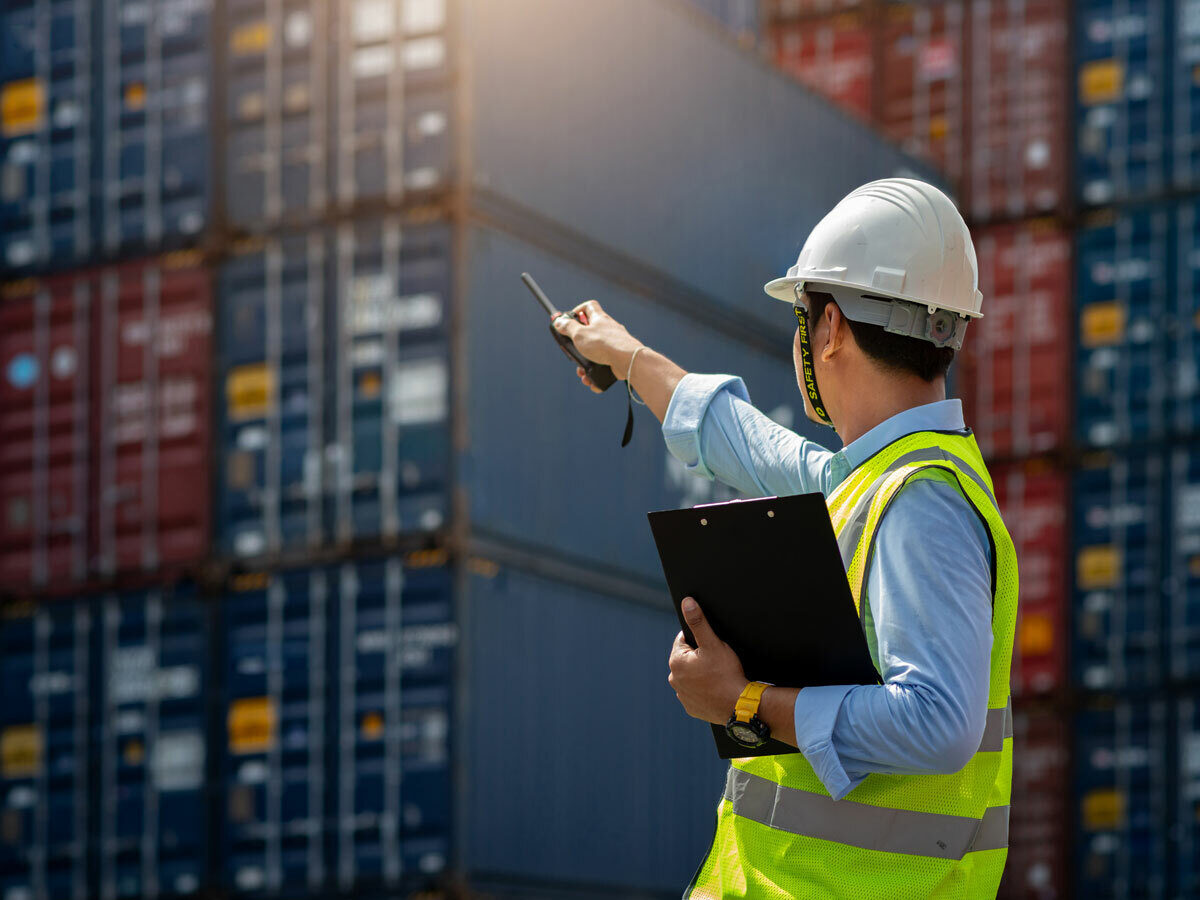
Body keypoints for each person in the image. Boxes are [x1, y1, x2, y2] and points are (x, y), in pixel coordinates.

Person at [550, 178, 1017, 899]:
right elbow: (740, 438)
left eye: (802, 316)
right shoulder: (870, 478)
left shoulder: (921, 499)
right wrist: (627, 355)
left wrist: (744, 701)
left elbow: (940, 723)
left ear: (828, 328)